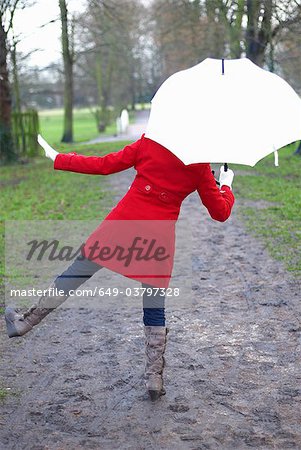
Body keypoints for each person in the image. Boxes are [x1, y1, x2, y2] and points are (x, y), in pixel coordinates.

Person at [5, 133, 235, 401]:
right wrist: (226, 185)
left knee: (77, 272)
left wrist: (59, 157)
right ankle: (154, 378)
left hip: (123, 222)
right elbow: (220, 212)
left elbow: (104, 165)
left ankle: (24, 323)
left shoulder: (152, 141)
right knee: (154, 304)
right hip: (158, 236)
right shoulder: (199, 165)